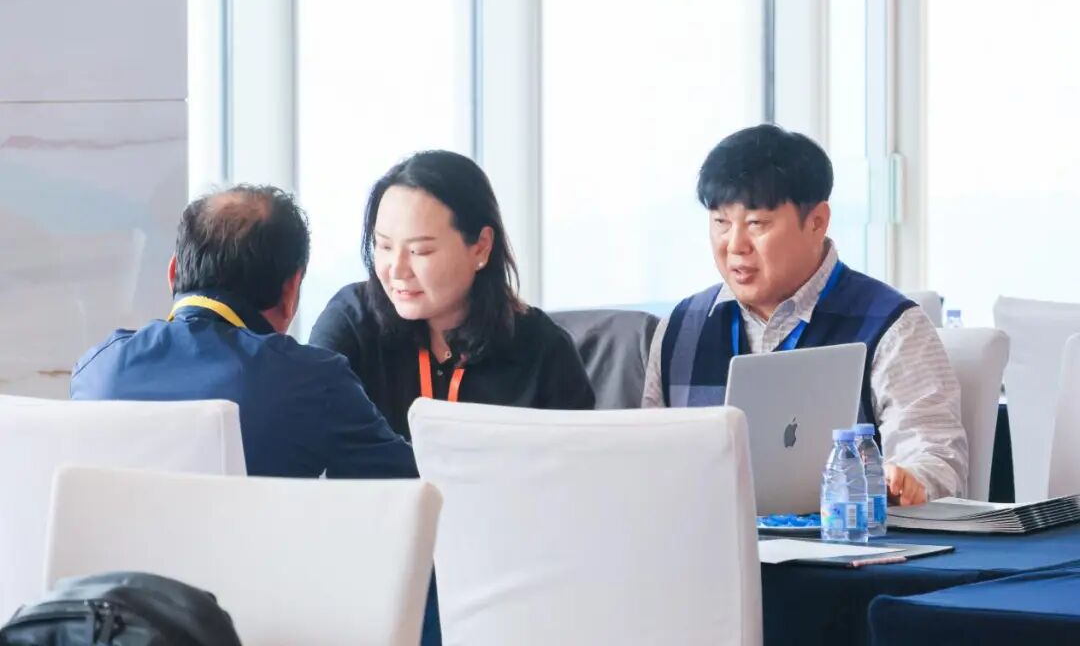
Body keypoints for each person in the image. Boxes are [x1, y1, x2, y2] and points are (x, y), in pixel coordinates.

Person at [641, 124, 967, 506]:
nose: (735, 245)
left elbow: (936, 459)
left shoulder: (893, 326)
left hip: (843, 540)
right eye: (721, 223)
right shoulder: (681, 328)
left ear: (816, 222)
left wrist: (907, 481)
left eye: (756, 224)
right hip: (706, 540)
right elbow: (647, 460)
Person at [70, 184, 417, 480]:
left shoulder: (98, 370)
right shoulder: (310, 381)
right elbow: (416, 484)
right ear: (291, 290)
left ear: (173, 273)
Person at [310, 150, 594, 439]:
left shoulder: (544, 352)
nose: (397, 269)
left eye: (420, 251)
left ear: (481, 247)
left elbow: (577, 461)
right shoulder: (352, 322)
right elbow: (306, 425)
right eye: (384, 246)